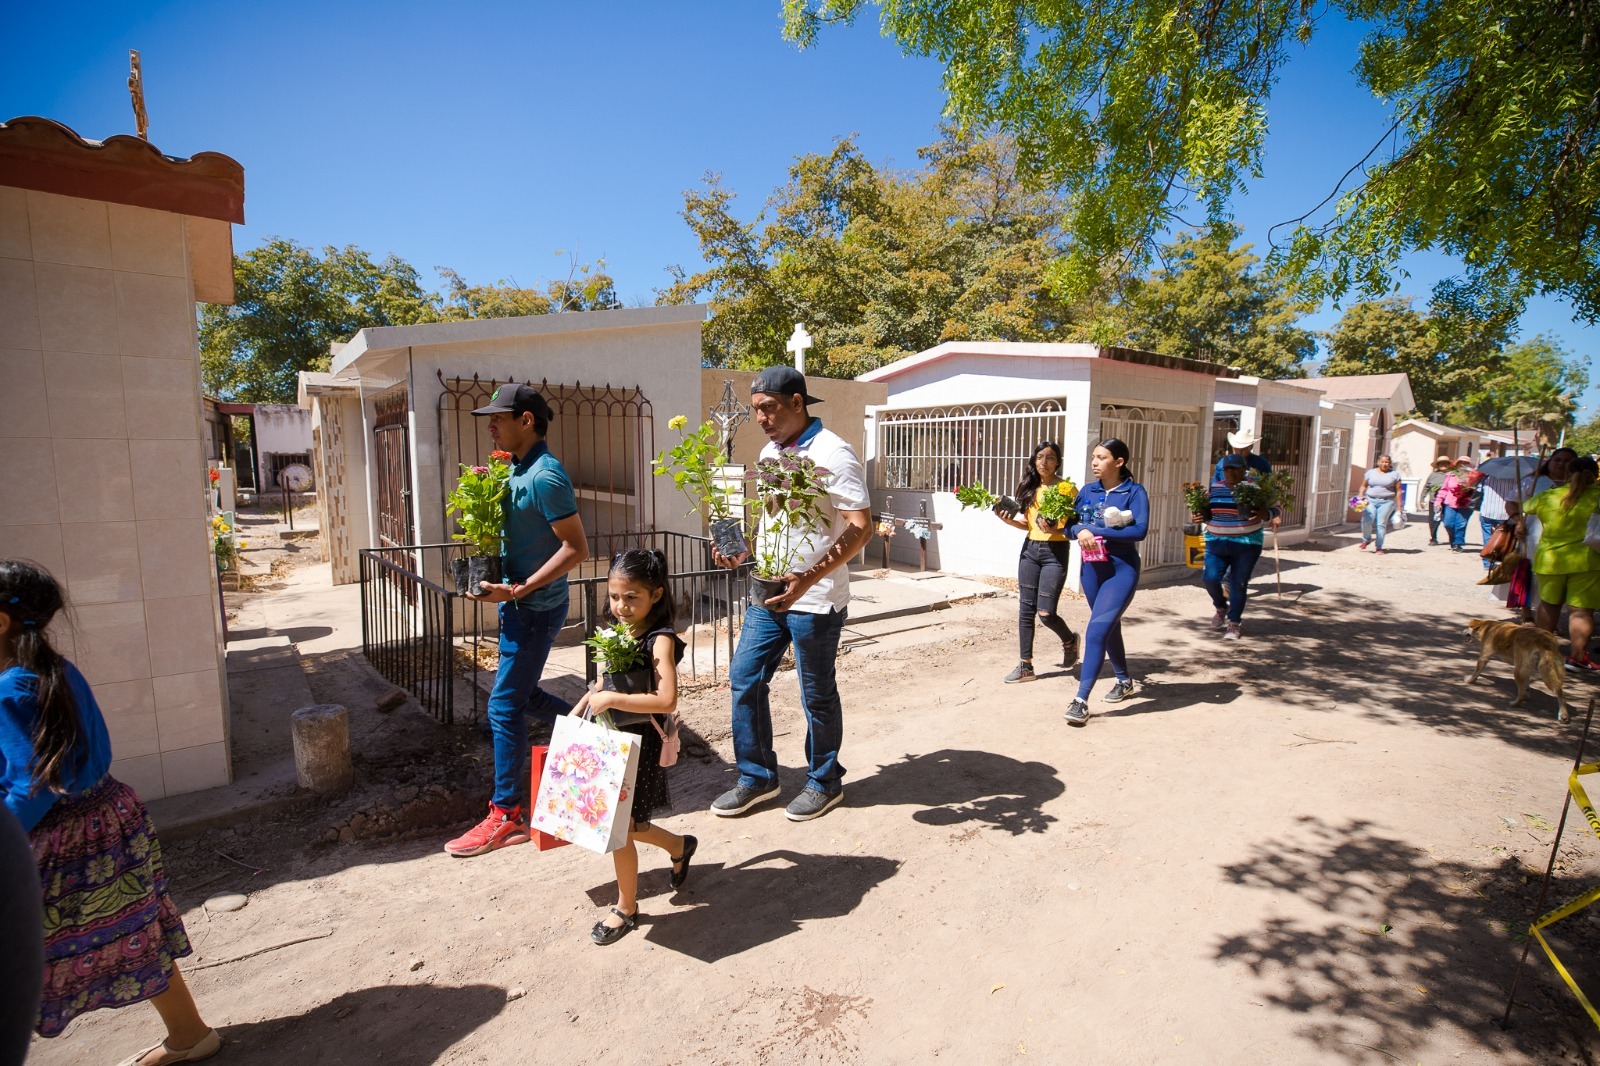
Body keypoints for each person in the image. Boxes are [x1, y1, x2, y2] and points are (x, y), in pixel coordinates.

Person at [0, 559, 220, 1065]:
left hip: (60, 838)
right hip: (108, 816)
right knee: (134, 929)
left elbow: (32, 786)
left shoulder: (11, 689)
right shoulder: (55, 672)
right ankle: (188, 1033)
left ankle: (190, 1035)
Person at [710, 366, 871, 822]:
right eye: (755, 409)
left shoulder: (834, 453)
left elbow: (861, 528)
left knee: (815, 693)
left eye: (768, 408)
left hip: (815, 600)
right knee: (744, 678)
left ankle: (824, 781)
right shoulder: (770, 452)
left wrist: (808, 577)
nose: (759, 418)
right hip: (769, 589)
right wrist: (744, 549)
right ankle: (758, 777)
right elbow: (776, 519)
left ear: (797, 403)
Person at [447, 384, 590, 857]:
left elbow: (576, 549)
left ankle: (506, 815)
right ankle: (588, 725)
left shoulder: (546, 476)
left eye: (499, 418)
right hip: (516, 605)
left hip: (536, 608)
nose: (490, 425)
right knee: (523, 695)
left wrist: (519, 589)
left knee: (503, 707)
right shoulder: (514, 470)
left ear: (527, 420)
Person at [578, 549, 696, 945]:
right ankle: (679, 846)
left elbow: (666, 701)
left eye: (632, 598)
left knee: (621, 830)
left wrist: (611, 701)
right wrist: (589, 701)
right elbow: (607, 683)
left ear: (657, 595)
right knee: (631, 824)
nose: (621, 606)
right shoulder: (617, 632)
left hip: (638, 746)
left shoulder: (659, 640)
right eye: (614, 597)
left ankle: (625, 908)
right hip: (611, 739)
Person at [1062, 439, 1150, 726]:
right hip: (1091, 571)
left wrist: (1096, 529)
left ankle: (1081, 700)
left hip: (1120, 571)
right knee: (1108, 626)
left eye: (1101, 457)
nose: (1094, 462)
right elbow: (1069, 527)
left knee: (1096, 630)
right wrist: (1080, 529)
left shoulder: (1133, 492)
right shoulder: (1088, 491)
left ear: (1119, 462)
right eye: (1093, 457)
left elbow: (1140, 531)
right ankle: (1124, 680)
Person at [994, 441, 1080, 683]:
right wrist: (1009, 521)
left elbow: (1074, 528)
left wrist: (1057, 527)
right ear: (1033, 460)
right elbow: (1029, 525)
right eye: (1040, 457)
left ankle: (1070, 640)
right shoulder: (1030, 487)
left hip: (1055, 551)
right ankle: (1025, 666)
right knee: (1025, 609)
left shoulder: (1066, 489)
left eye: (1050, 458)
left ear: (1058, 462)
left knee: (1046, 613)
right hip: (1030, 550)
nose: (1044, 462)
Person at [1517, 456, 1600, 672]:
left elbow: (1527, 506)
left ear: (1566, 474)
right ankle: (1577, 657)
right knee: (1581, 611)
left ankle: (1544, 653)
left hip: (1550, 559)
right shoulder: (1597, 495)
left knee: (1548, 604)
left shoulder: (1549, 496)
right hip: (1587, 560)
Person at [1193, 454, 1281, 640]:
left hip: (1247, 544)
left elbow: (1276, 508)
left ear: (1244, 469)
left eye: (1234, 468)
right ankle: (1221, 607)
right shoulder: (1215, 488)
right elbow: (1207, 512)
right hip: (1216, 542)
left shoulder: (1255, 488)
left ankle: (1234, 623)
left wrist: (1267, 514)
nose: (1230, 472)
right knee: (1210, 579)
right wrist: (1199, 516)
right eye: (1227, 469)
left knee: (1238, 583)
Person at [1357, 454, 1404, 552]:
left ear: (1390, 463)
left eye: (1387, 462)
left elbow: (1398, 490)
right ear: (1378, 462)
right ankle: (1366, 539)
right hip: (1370, 500)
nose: (1384, 464)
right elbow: (1363, 486)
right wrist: (1361, 494)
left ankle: (1379, 546)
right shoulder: (1370, 473)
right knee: (1367, 520)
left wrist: (1399, 506)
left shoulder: (1395, 475)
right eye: (1382, 461)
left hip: (1387, 502)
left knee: (1381, 524)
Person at [1434, 457, 1479, 554]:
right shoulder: (1451, 475)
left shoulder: (1473, 476)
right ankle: (1453, 538)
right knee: (1448, 523)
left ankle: (1458, 544)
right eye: (1460, 463)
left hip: (1466, 504)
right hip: (1450, 503)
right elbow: (1444, 489)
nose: (1463, 465)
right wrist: (1438, 501)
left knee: (1460, 524)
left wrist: (1470, 486)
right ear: (1457, 464)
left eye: (1466, 463)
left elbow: (1477, 490)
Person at [1420, 456, 1453, 546]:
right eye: (1441, 463)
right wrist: (1422, 499)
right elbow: (1426, 487)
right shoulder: (1433, 475)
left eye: (1445, 463)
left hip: (1448, 502)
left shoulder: (1452, 474)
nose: (1443, 465)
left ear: (1448, 465)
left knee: (1448, 521)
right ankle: (1433, 538)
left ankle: (1452, 537)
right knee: (1433, 521)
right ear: (1437, 465)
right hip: (1434, 502)